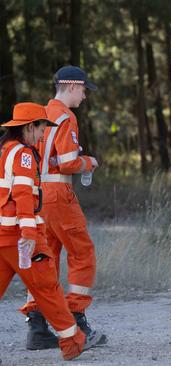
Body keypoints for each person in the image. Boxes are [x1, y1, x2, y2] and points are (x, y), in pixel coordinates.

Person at [0, 102, 101, 360]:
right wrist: (30, 235)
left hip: (3, 235)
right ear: (29, 127)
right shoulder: (23, 154)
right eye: (42, 128)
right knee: (48, 289)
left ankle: (53, 333)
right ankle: (73, 341)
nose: (43, 134)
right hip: (19, 236)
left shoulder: (5, 151)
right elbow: (23, 195)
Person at [20, 66, 106, 349]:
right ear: (71, 87)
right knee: (82, 252)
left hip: (37, 194)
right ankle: (76, 320)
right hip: (58, 193)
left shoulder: (40, 116)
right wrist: (89, 162)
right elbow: (69, 161)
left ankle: (38, 328)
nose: (84, 96)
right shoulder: (66, 116)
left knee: (45, 258)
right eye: (83, 90)